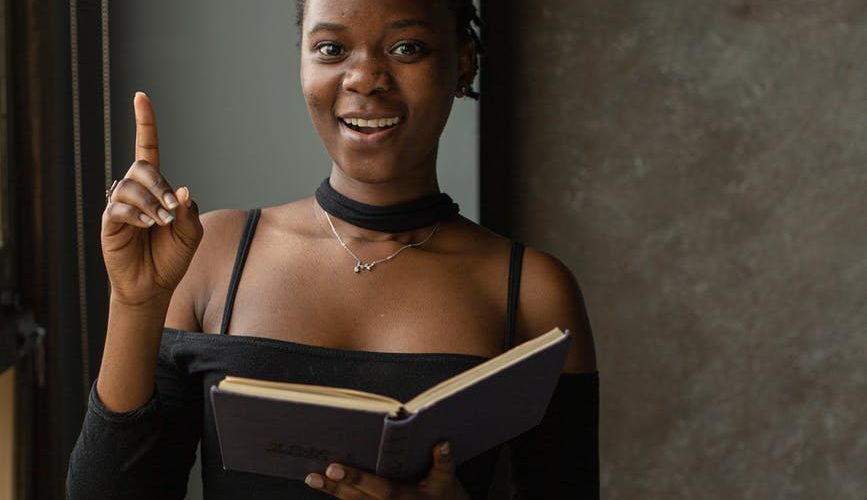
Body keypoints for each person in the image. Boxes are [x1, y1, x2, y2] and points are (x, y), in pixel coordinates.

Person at [67, 0, 599, 498]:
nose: (365, 77)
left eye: (406, 47)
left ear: (463, 63)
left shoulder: (532, 293)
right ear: (302, 61)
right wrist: (135, 304)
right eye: (331, 49)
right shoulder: (211, 256)